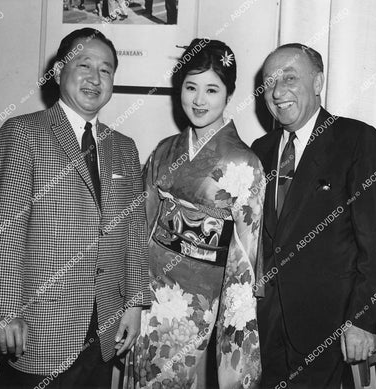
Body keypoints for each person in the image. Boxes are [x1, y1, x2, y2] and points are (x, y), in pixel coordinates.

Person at [0, 28, 150, 388]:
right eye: (84, 64)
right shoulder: (24, 132)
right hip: (40, 327)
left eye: (105, 70)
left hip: (104, 324)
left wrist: (135, 303)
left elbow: (134, 234)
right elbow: (4, 230)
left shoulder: (125, 147)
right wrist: (6, 310)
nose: (95, 77)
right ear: (58, 71)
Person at [252, 43, 376, 388]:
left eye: (289, 78)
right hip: (266, 326)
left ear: (318, 83)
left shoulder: (357, 140)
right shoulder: (260, 150)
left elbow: (375, 245)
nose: (278, 91)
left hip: (327, 329)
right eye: (270, 81)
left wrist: (362, 321)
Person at [128, 39, 265, 388]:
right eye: (191, 87)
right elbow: (140, 222)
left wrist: (232, 319)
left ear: (228, 94)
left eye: (212, 89)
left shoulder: (243, 163)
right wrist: (131, 291)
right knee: (145, 375)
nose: (199, 100)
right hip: (152, 285)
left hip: (201, 294)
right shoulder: (165, 149)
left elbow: (243, 259)